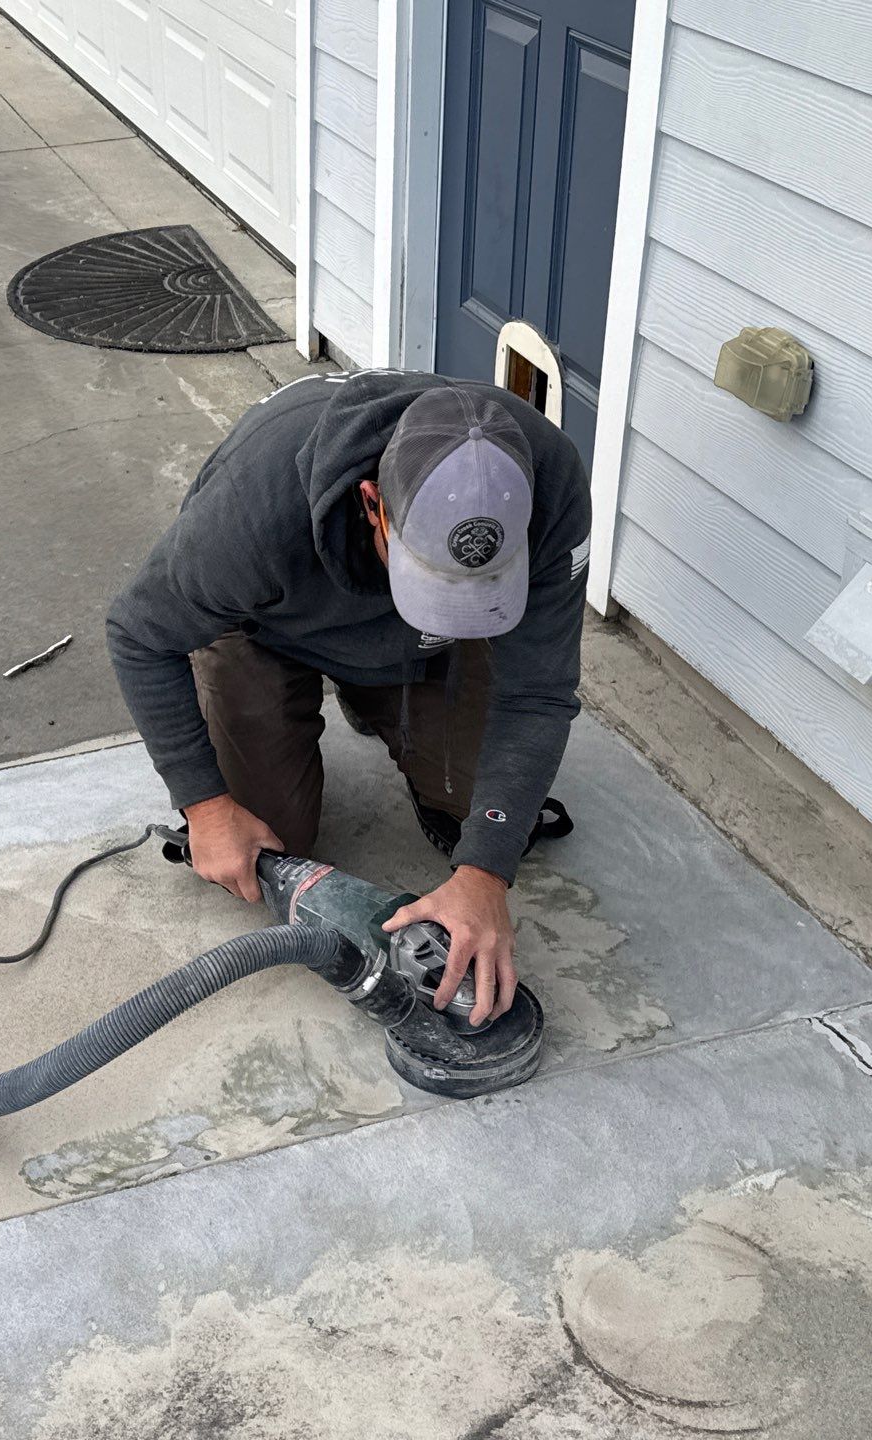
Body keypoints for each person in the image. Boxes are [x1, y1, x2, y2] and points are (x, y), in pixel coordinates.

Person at [106, 370, 590, 1026]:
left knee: (494, 810)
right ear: (372, 504)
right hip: (267, 625)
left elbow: (537, 692)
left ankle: (379, 693)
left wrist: (485, 871)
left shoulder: (553, 478)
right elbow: (138, 635)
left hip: (418, 646)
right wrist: (206, 804)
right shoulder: (255, 508)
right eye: (432, 580)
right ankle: (326, 686)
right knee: (267, 842)